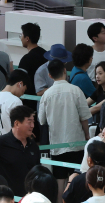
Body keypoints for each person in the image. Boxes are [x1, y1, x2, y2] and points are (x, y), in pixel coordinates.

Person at [39, 59, 92, 193]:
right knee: (76, 176)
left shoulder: (46, 95)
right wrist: (86, 134)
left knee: (59, 178)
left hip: (57, 143)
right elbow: (84, 117)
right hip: (77, 141)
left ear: (50, 75)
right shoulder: (76, 90)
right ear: (64, 71)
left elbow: (41, 120)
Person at [0, 105, 40, 197]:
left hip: (28, 200)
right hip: (5, 199)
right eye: (29, 122)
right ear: (17, 123)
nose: (33, 126)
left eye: (33, 122)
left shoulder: (33, 146)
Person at [0, 69, 29, 138]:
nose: (22, 94)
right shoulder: (15, 101)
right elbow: (19, 127)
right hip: (11, 143)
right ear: (20, 84)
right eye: (24, 90)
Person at [18, 22, 48, 98]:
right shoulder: (46, 54)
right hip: (44, 97)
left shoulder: (26, 59)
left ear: (27, 38)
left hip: (30, 98)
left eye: (22, 36)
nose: (21, 38)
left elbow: (20, 81)